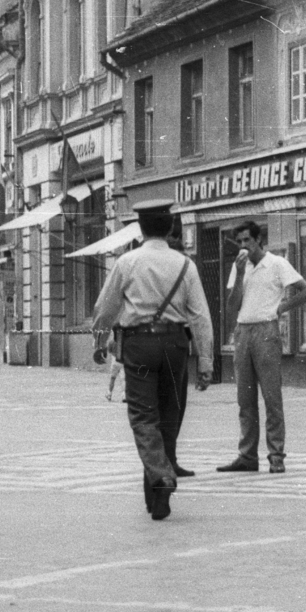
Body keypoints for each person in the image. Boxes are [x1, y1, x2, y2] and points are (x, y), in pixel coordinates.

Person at [92, 200, 213, 521]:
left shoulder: (127, 262)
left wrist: (98, 336)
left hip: (139, 345)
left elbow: (104, 309)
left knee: (144, 416)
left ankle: (161, 475)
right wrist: (206, 363)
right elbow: (200, 317)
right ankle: (158, 494)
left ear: (141, 228)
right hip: (176, 345)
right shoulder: (186, 265)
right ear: (170, 226)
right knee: (170, 413)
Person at [217, 220, 306, 475]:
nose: (242, 246)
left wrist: (281, 308)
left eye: (247, 240)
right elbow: (232, 306)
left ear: (259, 240)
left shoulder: (277, 263)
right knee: (245, 399)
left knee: (272, 397)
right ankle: (247, 455)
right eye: (238, 242)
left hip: (266, 331)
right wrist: (239, 274)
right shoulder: (239, 267)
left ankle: (276, 455)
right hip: (243, 331)